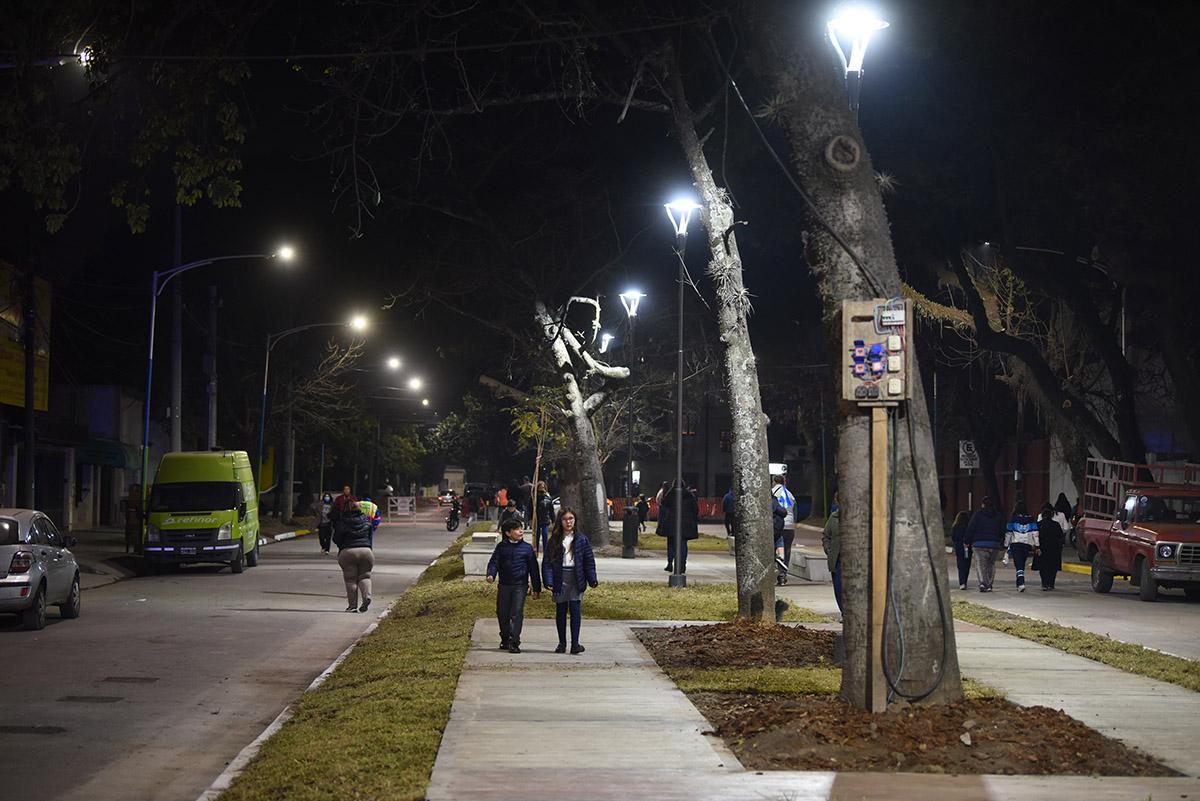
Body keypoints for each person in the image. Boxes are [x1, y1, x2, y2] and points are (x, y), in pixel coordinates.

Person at [541, 508, 598, 655]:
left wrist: (592, 579)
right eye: (565, 519)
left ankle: (575, 643)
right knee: (560, 611)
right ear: (560, 521)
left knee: (575, 610)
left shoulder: (581, 539)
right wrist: (548, 580)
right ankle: (562, 643)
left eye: (571, 518)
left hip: (576, 577)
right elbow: (547, 562)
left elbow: (588, 561)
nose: (569, 522)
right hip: (560, 576)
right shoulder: (554, 539)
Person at [486, 517, 542, 653]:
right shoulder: (501, 547)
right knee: (502, 613)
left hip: (520, 586)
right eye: (517, 529)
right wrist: (491, 574)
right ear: (508, 533)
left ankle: (514, 641)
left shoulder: (527, 549)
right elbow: (494, 562)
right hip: (504, 585)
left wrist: (537, 588)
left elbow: (534, 569)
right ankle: (505, 638)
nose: (521, 531)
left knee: (516, 613)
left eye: (521, 528)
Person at [332, 502, 374, 613]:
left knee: (351, 580)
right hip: (366, 552)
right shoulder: (366, 521)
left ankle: (352, 606)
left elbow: (336, 539)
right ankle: (367, 597)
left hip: (348, 552)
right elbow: (370, 536)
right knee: (365, 577)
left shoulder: (342, 522)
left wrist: (342, 545)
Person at [658, 479, 699, 573]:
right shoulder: (689, 495)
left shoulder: (671, 494)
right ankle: (682, 564)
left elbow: (664, 504)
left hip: (672, 524)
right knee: (683, 544)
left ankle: (670, 563)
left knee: (671, 543)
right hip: (686, 525)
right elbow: (695, 509)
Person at [965, 496, 1005, 592]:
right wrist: (1001, 542)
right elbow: (1003, 530)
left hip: (979, 544)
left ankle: (983, 583)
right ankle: (989, 584)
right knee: (991, 564)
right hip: (994, 544)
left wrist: (966, 541)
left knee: (980, 564)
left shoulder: (977, 515)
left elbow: (971, 528)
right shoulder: (998, 515)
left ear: (983, 504)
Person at [1004, 502, 1039, 592]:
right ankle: (1019, 583)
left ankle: (1021, 583)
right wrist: (1037, 545)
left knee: (1018, 564)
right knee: (1021, 564)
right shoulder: (1031, 520)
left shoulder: (1012, 520)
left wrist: (1006, 545)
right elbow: (1035, 534)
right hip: (1026, 545)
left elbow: (1008, 533)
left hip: (1016, 544)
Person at [1036, 503, 1064, 590]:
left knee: (1043, 567)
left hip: (1042, 548)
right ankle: (1051, 584)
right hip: (1054, 549)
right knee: (1053, 567)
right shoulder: (1056, 525)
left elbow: (1035, 536)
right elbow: (1060, 536)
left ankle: (1044, 583)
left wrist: (1036, 547)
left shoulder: (1039, 525)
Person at [821, 500, 843, 612]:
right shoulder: (833, 517)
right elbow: (826, 535)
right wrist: (828, 549)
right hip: (837, 560)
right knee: (839, 589)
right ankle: (844, 613)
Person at [950, 510, 972, 589]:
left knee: (960, 565)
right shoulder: (968, 527)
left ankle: (962, 582)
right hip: (967, 547)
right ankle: (965, 581)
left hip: (959, 547)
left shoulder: (955, 527)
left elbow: (953, 537)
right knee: (967, 564)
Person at [772, 491, 789, 586]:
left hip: (768, 532)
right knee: (780, 545)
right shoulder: (775, 501)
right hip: (778, 532)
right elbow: (784, 512)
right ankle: (782, 576)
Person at [534, 481, 554, 553]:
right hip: (536, 520)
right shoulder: (534, 498)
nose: (542, 489)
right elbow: (530, 509)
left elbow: (551, 510)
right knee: (537, 536)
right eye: (540, 487)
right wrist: (530, 519)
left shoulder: (548, 498)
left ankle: (546, 552)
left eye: (543, 487)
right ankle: (536, 550)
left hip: (545, 520)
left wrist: (553, 520)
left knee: (545, 535)